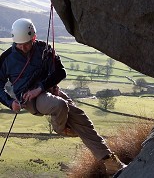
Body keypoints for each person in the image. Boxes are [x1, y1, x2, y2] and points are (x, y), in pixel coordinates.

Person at [0, 18, 126, 175]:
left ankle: (111, 162)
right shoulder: (6, 59)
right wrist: (10, 102)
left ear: (34, 37)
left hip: (46, 91)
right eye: (19, 44)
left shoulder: (43, 49)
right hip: (30, 100)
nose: (23, 47)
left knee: (81, 117)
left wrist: (41, 87)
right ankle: (60, 128)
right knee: (60, 105)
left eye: (27, 43)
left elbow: (61, 72)